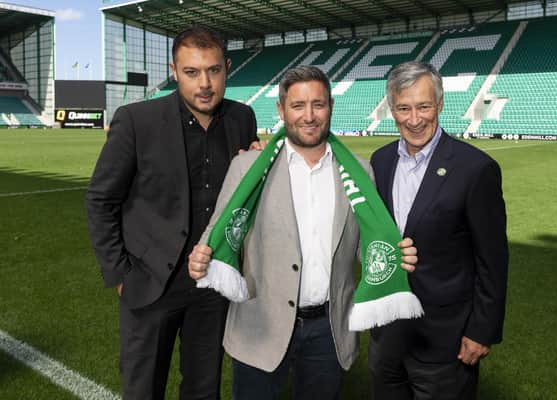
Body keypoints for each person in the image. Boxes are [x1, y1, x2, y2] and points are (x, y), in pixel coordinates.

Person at [187, 65, 417, 400]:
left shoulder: (359, 170)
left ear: (330, 107)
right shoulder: (247, 167)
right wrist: (202, 256)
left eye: (318, 105)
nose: (308, 116)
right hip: (260, 324)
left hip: (328, 330)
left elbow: (365, 245)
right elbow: (219, 233)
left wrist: (395, 256)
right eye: (298, 106)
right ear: (281, 110)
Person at [85, 25, 259, 400]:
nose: (205, 84)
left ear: (227, 68)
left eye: (213, 70)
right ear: (174, 71)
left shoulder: (242, 119)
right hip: (150, 284)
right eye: (192, 72)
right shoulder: (136, 120)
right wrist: (120, 274)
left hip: (212, 284)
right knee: (143, 390)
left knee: (203, 389)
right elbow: (101, 200)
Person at [368, 61, 509, 399]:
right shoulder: (380, 161)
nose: (414, 119)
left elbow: (492, 259)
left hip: (445, 341)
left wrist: (481, 330)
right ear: (391, 109)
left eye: (423, 106)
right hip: (386, 335)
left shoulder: (476, 169)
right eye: (403, 108)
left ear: (440, 104)